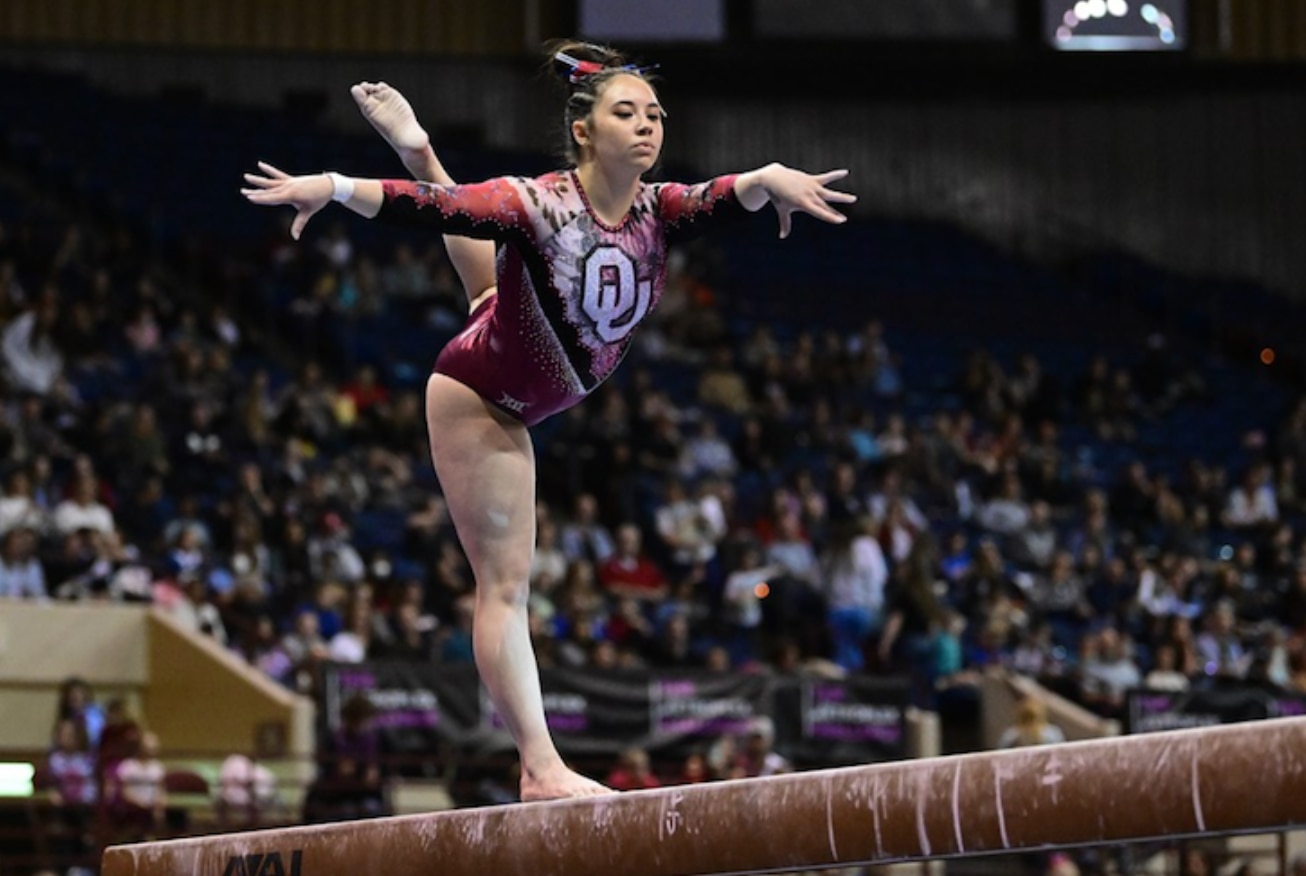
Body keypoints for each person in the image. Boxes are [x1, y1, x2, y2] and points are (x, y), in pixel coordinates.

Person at [241, 40, 854, 800]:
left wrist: (768, 178)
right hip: (481, 394)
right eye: (626, 112)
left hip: (515, 345)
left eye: (655, 114)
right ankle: (538, 765)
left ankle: (420, 146)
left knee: (491, 295)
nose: (648, 125)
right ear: (584, 131)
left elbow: (725, 194)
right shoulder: (536, 202)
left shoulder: (659, 212)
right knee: (505, 587)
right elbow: (435, 210)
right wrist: (333, 186)